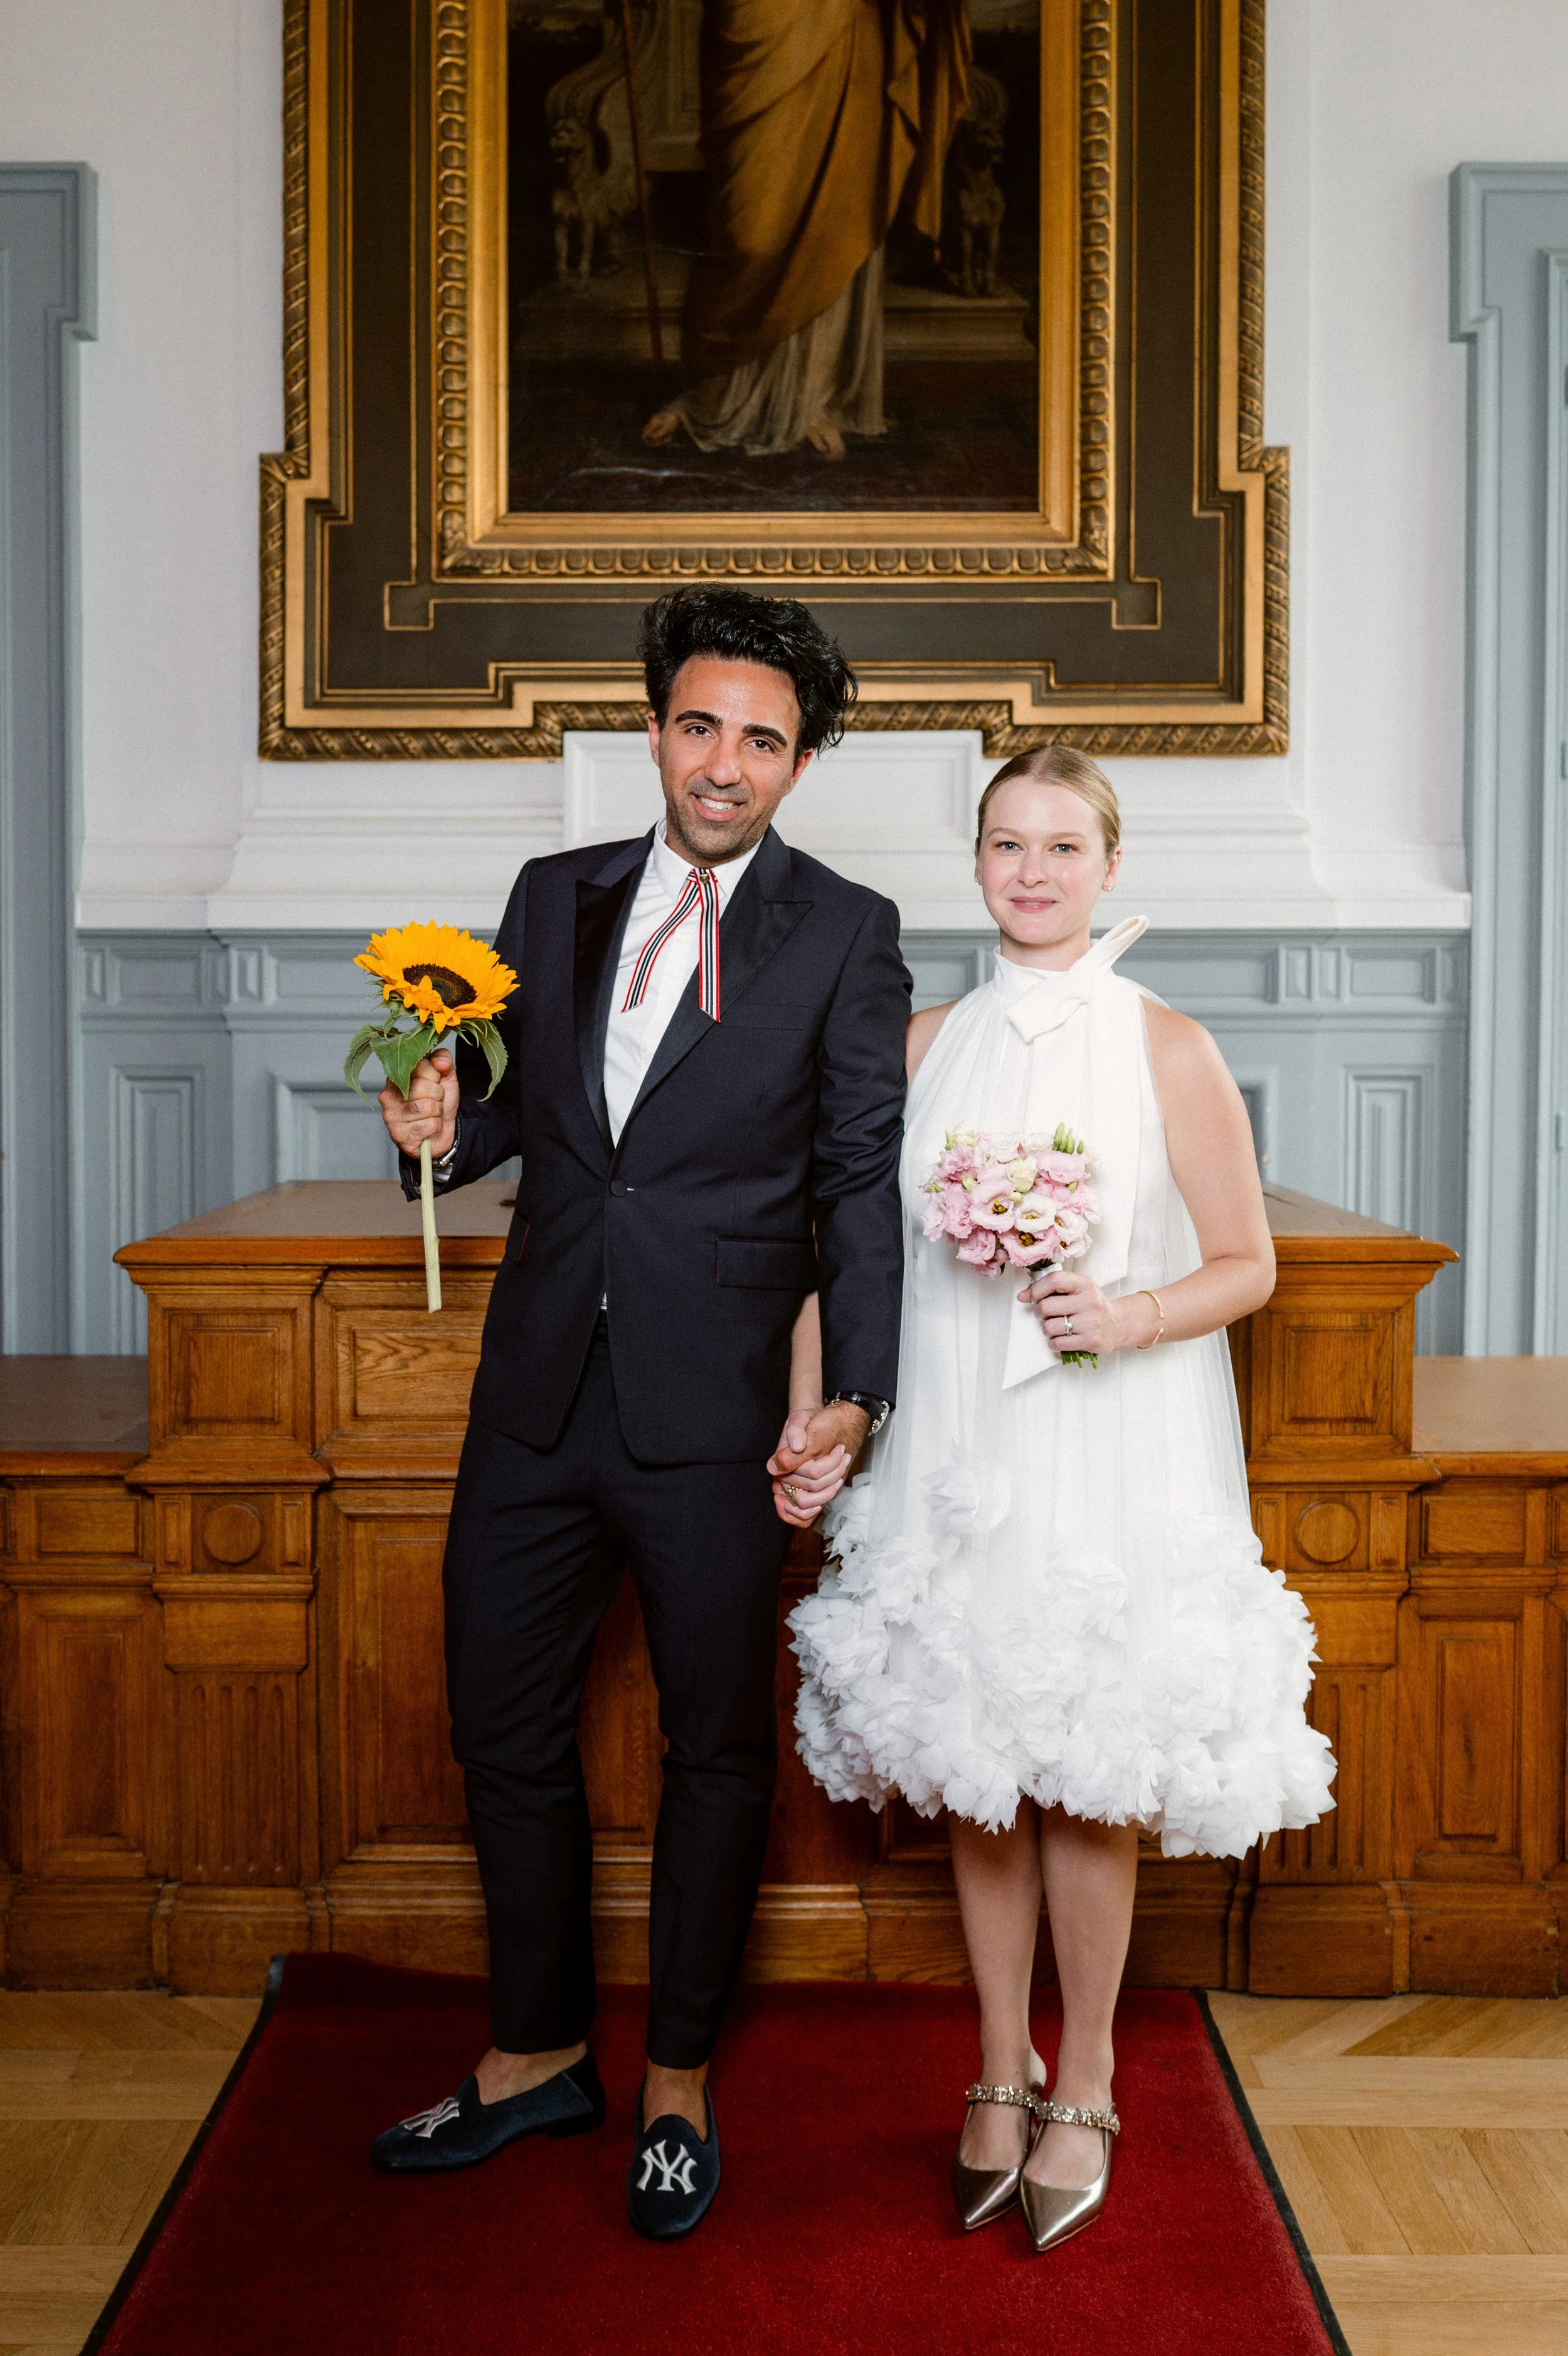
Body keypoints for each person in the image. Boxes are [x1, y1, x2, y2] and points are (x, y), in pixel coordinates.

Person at [368, 585, 910, 2240]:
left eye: (760, 736)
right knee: (500, 1726)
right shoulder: (552, 894)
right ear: (655, 729)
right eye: (698, 725)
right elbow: (500, 1123)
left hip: (718, 1407)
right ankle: (535, 2050)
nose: (724, 762)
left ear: (796, 759)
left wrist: (859, 1395)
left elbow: (861, 1187)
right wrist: (431, 1126)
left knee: (714, 1745)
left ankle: (674, 2074)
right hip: (536, 1388)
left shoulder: (843, 930)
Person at [786, 746, 1337, 2252]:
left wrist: (1133, 1312)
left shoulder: (1166, 1045)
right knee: (978, 1751)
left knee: (1085, 1763)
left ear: (1107, 865)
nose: (1031, 872)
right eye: (1005, 845)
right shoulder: (919, 1046)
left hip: (1110, 1437)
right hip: (961, 1435)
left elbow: (1248, 1260)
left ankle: (1083, 2068)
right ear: (977, 864)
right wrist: (811, 1414)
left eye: (1060, 847)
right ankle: (994, 2060)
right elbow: (850, 1261)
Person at [642, 0, 970, 460]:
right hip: (757, 25)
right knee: (750, 237)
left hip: (848, 22)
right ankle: (712, 395)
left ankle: (817, 396)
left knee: (838, 211)